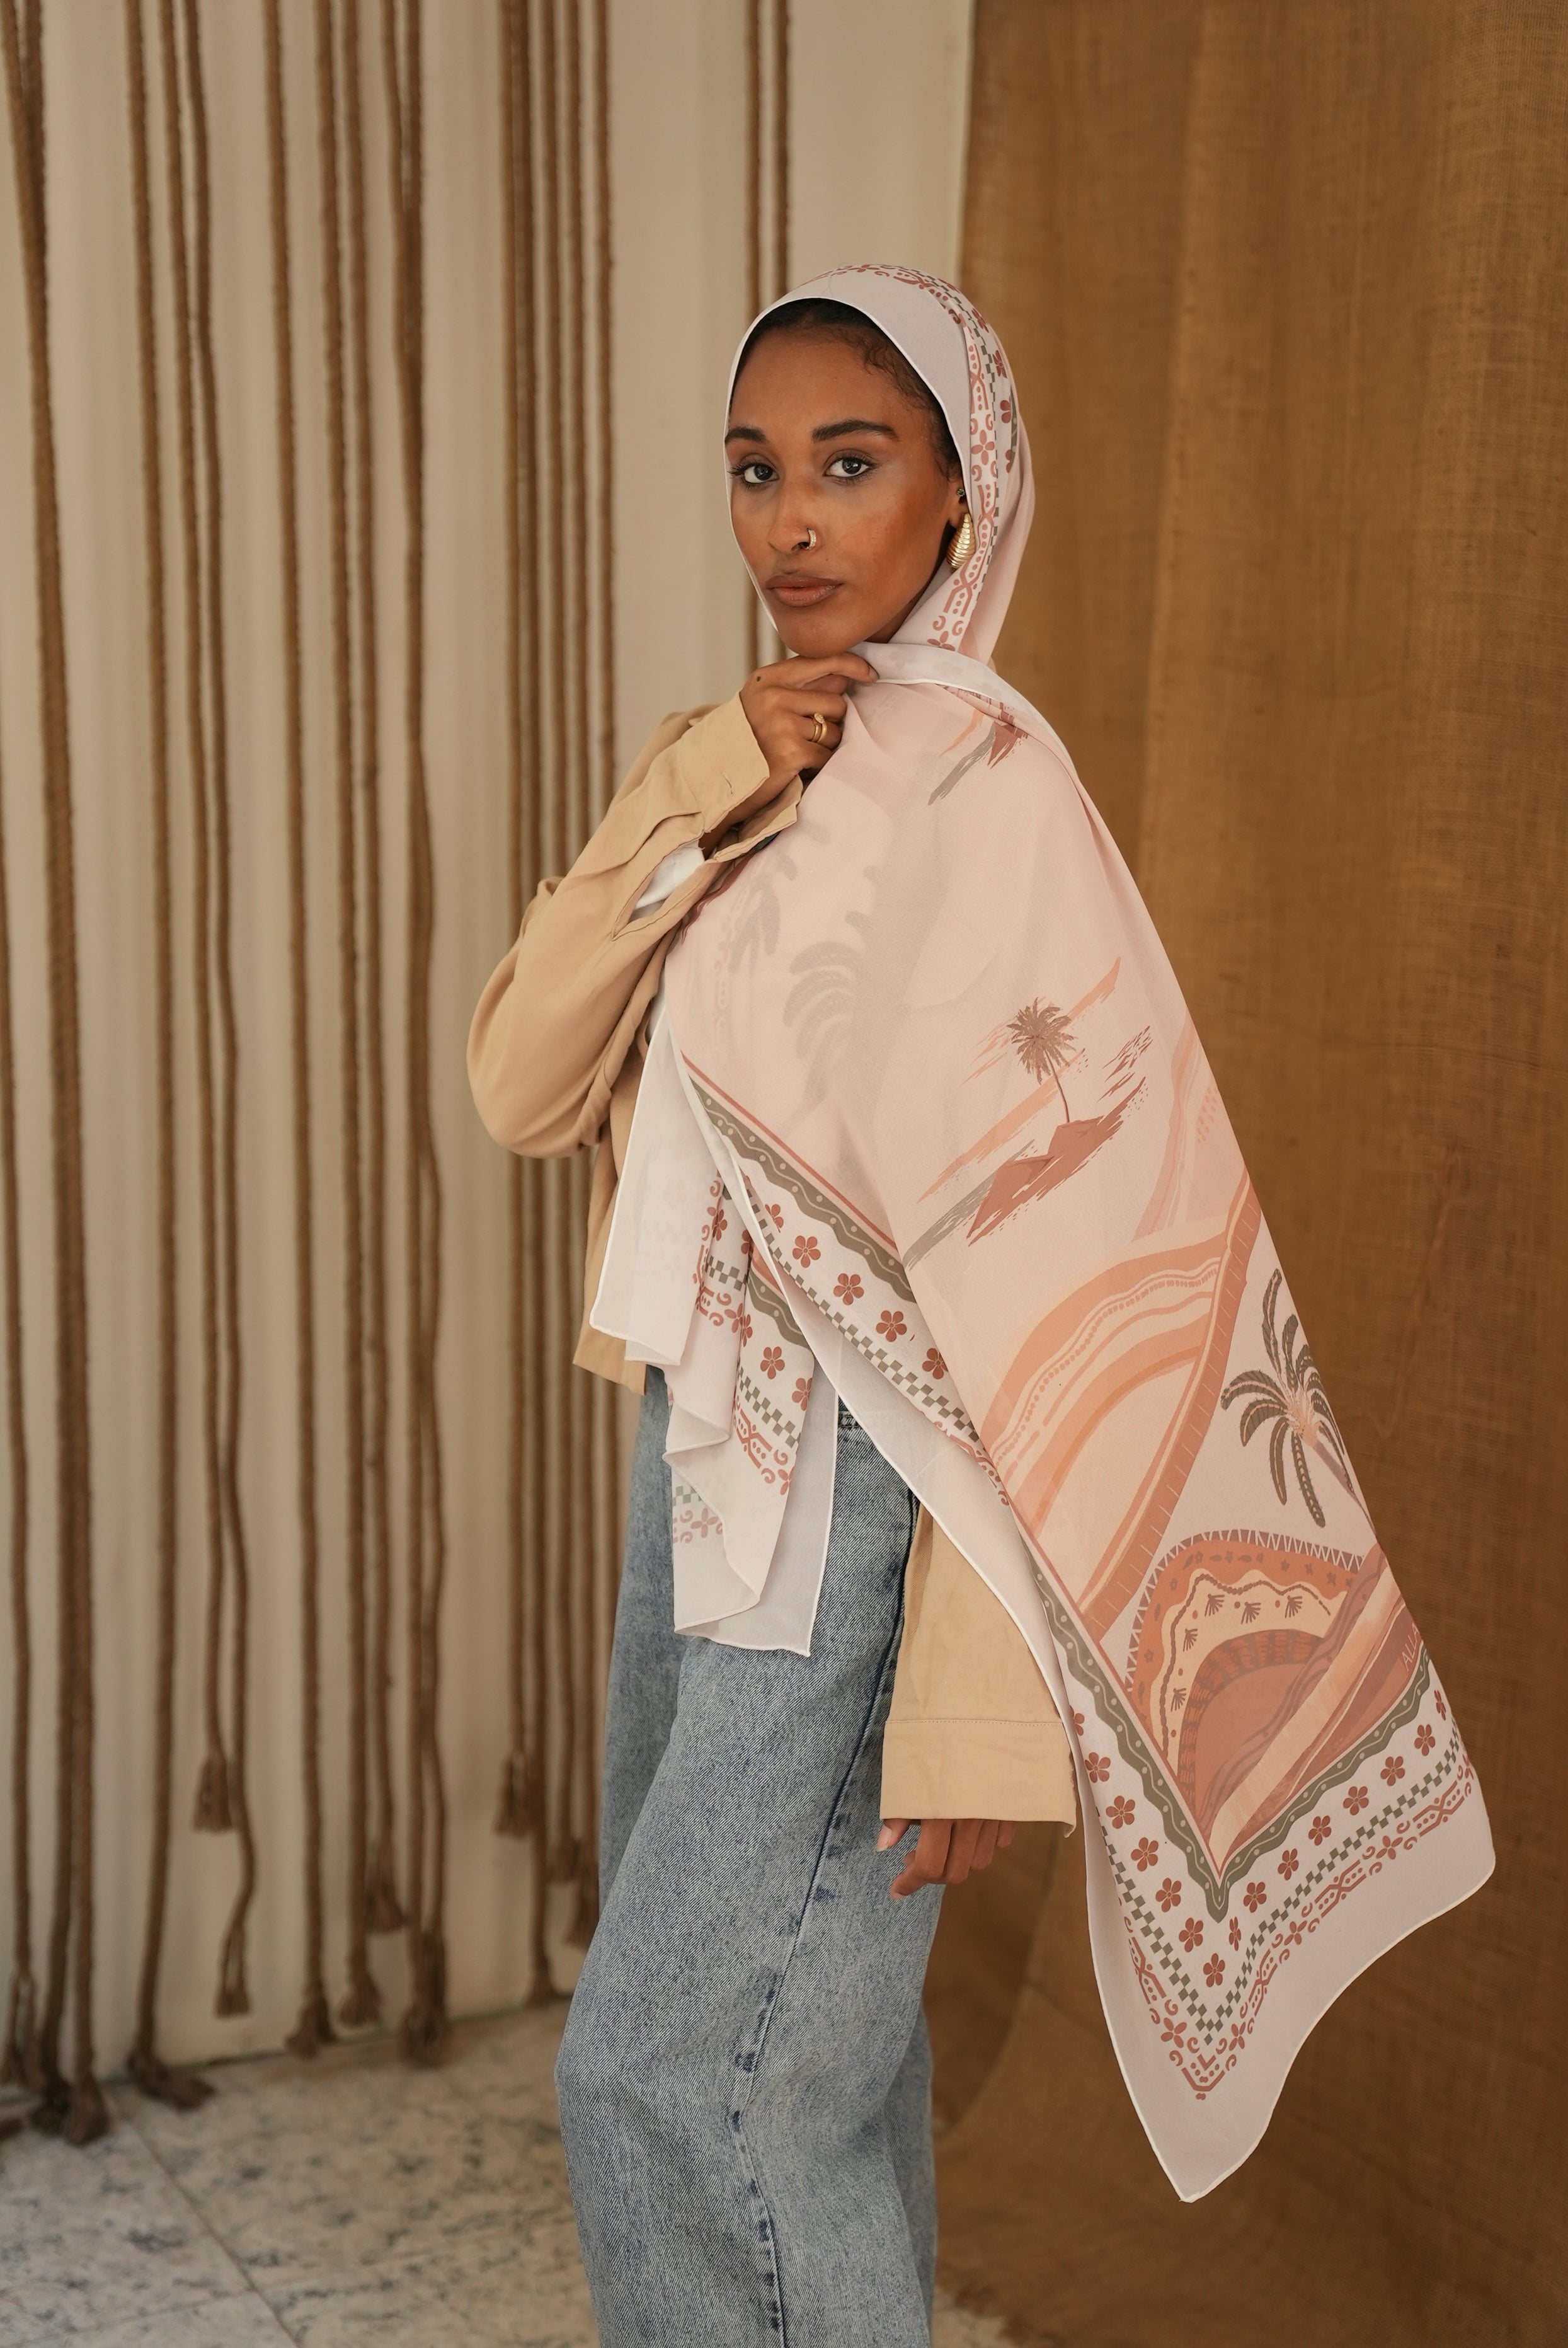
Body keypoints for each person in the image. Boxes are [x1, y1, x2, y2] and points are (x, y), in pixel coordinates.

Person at [468, 267, 1491, 2343]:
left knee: (672, 2079)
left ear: (964, 491)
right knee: (800, 2083)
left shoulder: (990, 805)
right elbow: (520, 1083)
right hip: (706, 1469)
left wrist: (974, 1693)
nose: (790, 522)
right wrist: (696, 779)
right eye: (755, 468)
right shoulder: (741, 774)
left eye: (850, 465)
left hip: (871, 1524)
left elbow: (1043, 1307)